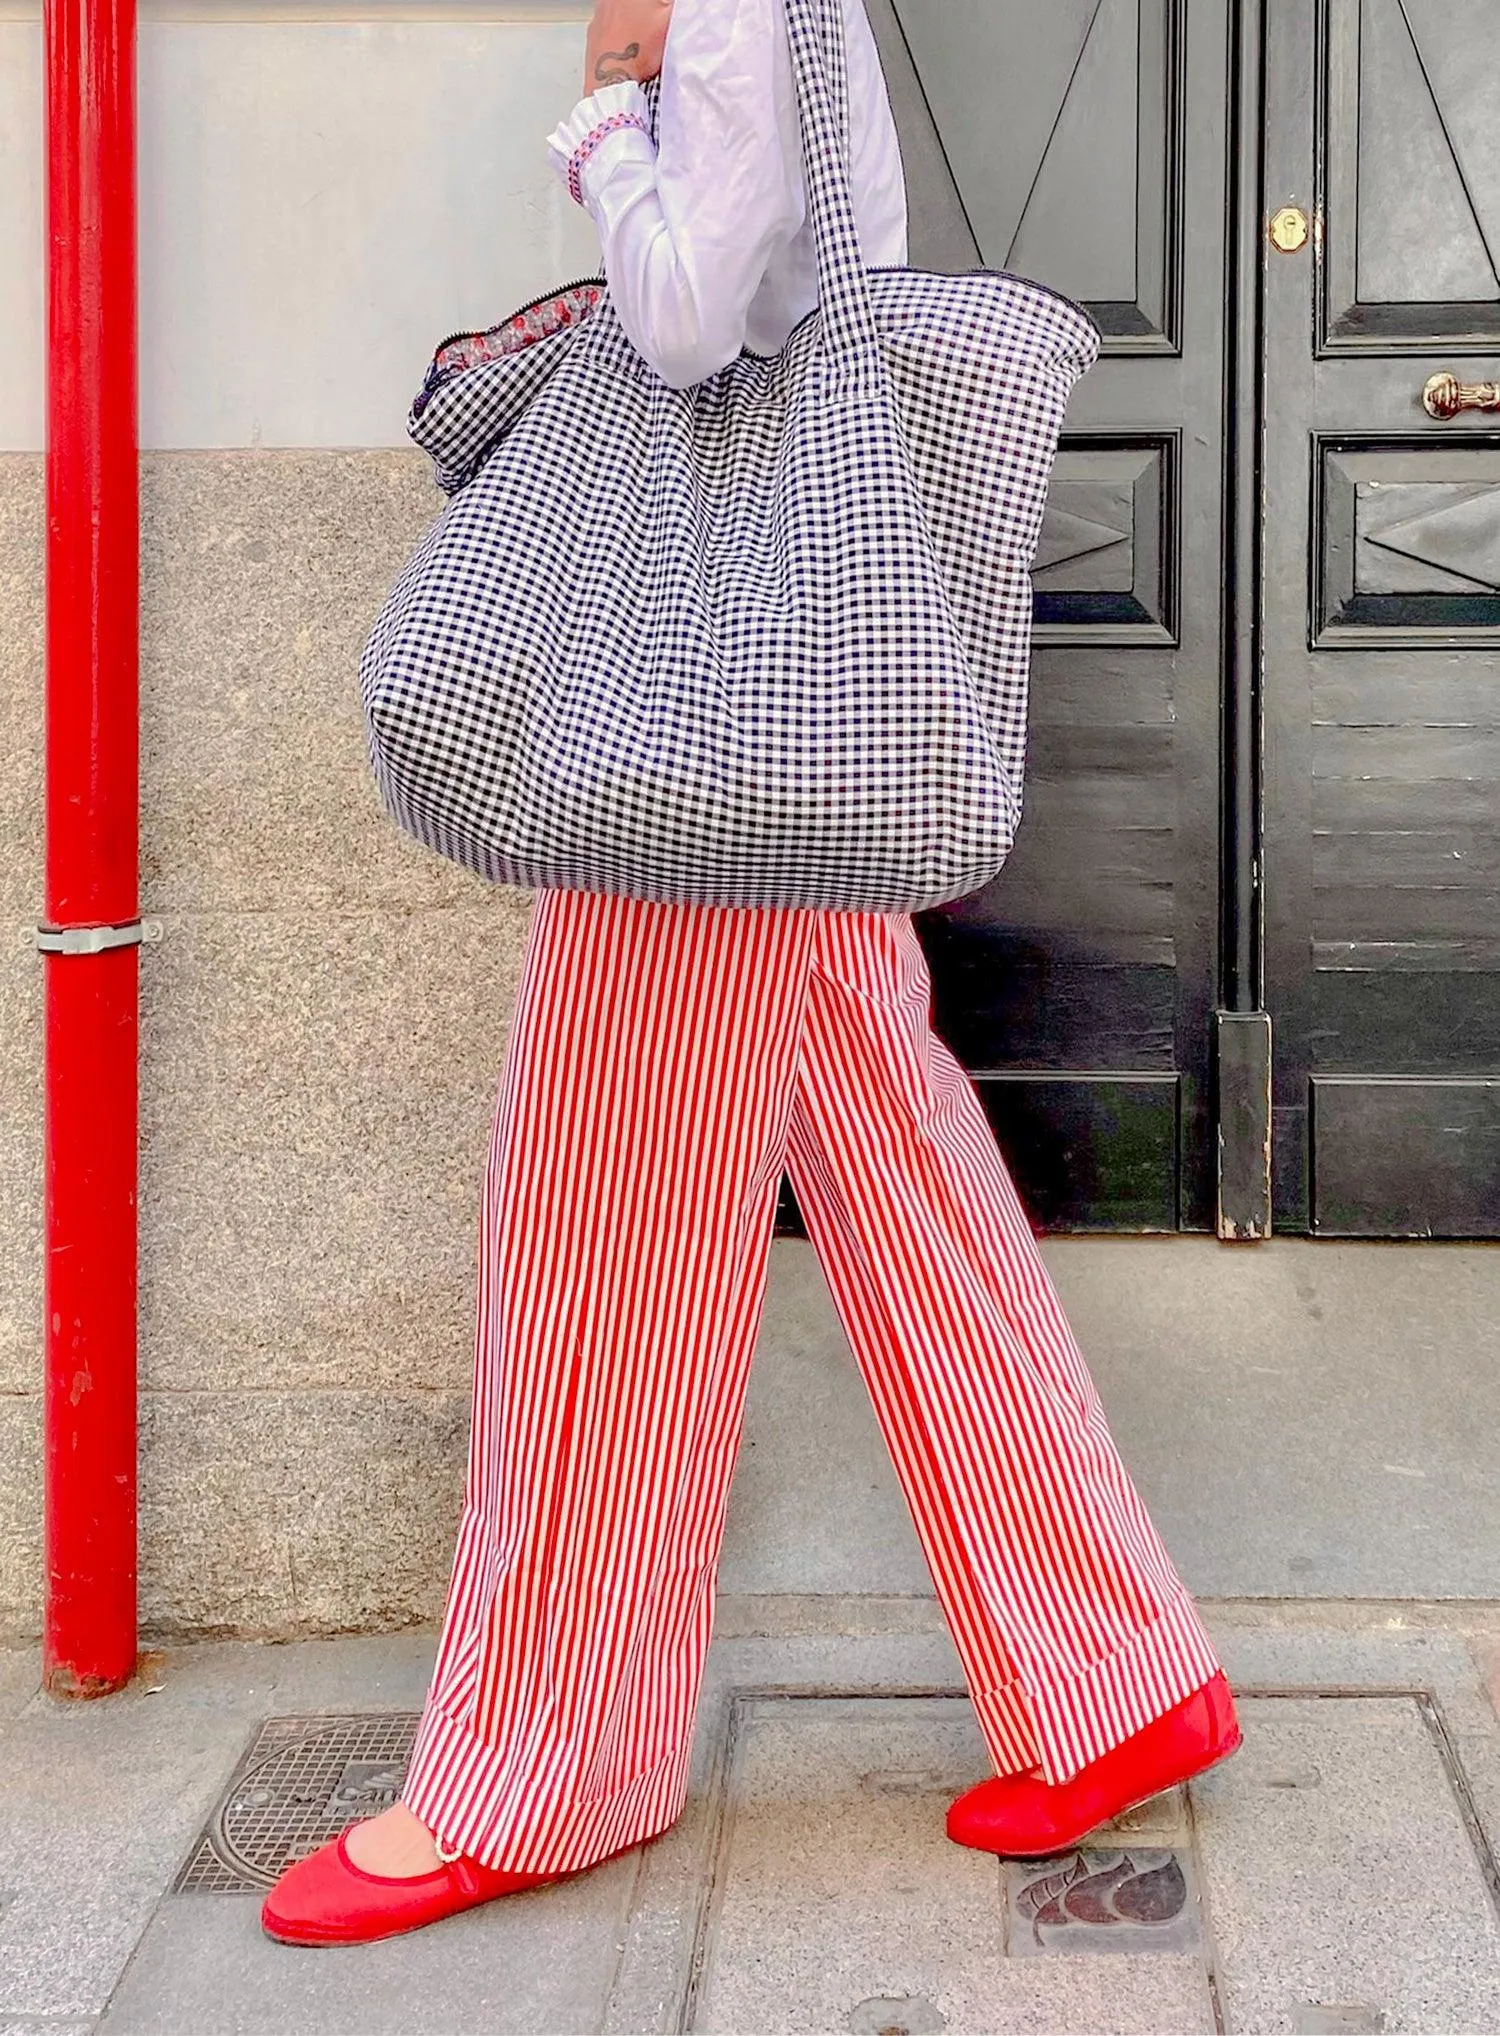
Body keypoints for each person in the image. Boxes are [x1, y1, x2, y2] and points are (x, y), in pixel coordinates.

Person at [260, 0, 1240, 1949]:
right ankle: (1115, 1669)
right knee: (909, 1198)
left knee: (596, 1241)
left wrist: (608, 123)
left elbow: (701, 313)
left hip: (700, 746)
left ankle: (550, 1753)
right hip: (794, 719)